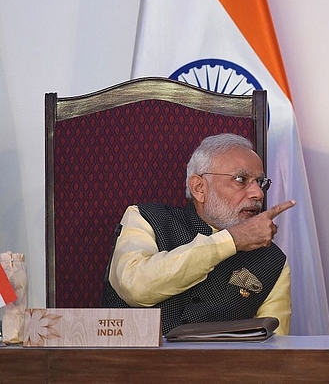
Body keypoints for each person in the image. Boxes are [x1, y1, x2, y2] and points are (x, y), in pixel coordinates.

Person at [103, 133, 296, 336]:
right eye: (241, 180)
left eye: (260, 182)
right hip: (129, 364)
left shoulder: (272, 261)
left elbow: (274, 348)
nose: (258, 194)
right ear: (199, 188)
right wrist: (231, 240)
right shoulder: (145, 218)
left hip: (220, 367)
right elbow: (136, 288)